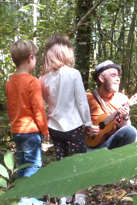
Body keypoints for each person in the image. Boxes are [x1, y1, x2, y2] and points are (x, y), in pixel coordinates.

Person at [39, 35, 95, 205]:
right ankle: (79, 199)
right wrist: (88, 123)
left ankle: (65, 197)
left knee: (61, 161)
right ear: (67, 53)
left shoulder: (43, 77)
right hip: (73, 125)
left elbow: (45, 100)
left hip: (54, 126)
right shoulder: (73, 73)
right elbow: (81, 101)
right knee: (80, 163)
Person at [6, 39, 49, 205]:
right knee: (33, 165)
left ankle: (21, 195)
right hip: (30, 131)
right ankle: (28, 199)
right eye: (35, 58)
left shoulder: (11, 81)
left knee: (23, 163)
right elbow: (39, 109)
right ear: (30, 58)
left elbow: (11, 107)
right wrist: (45, 131)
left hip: (16, 130)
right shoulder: (32, 81)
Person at [86, 60, 137, 150]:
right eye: (113, 75)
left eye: (118, 76)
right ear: (101, 79)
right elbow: (72, 121)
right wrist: (86, 128)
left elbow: (126, 130)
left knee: (131, 131)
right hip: (92, 146)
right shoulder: (87, 98)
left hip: (114, 143)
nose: (118, 79)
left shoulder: (122, 99)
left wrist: (125, 116)